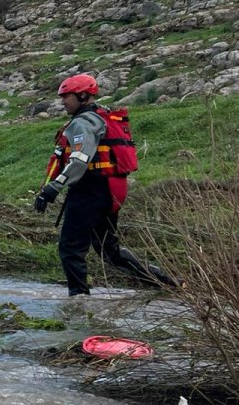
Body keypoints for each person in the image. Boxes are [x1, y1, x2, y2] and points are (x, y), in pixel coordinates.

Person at [34, 72, 179, 296]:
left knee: (70, 249)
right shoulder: (103, 116)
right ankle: (169, 284)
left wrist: (53, 188)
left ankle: (79, 301)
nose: (62, 102)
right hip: (110, 191)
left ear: (83, 96)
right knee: (109, 251)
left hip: (91, 192)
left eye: (67, 97)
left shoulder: (84, 122)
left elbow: (80, 159)